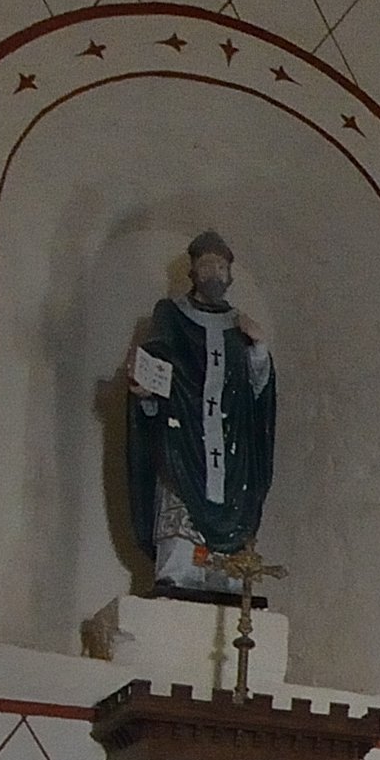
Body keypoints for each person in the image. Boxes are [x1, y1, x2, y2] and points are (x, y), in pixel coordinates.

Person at [123, 230, 279, 597]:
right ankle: (178, 570)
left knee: (232, 499)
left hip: (231, 442)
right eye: (207, 263)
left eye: (222, 265)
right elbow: (155, 365)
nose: (214, 271)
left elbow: (258, 391)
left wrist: (259, 348)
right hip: (183, 434)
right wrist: (146, 391)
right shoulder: (171, 314)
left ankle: (222, 573)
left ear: (231, 275)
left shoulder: (241, 325)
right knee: (179, 493)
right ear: (192, 271)